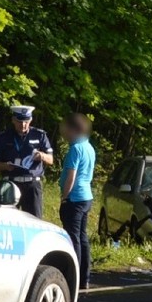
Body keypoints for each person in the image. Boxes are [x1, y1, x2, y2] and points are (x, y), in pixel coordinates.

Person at [0, 105, 53, 218]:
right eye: (19, 121)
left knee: (35, 220)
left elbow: (51, 159)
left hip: (32, 184)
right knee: (8, 219)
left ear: (31, 120)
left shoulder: (40, 135)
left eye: (26, 121)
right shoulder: (3, 137)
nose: (23, 125)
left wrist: (41, 155)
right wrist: (4, 166)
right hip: (11, 184)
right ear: (13, 120)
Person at [59, 113, 95, 290]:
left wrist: (64, 197)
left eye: (66, 128)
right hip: (86, 196)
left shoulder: (75, 149)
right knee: (82, 237)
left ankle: (74, 277)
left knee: (73, 238)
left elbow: (70, 177)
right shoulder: (88, 147)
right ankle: (85, 277)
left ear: (74, 129)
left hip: (75, 197)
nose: (64, 132)